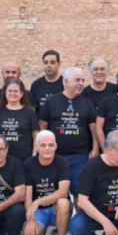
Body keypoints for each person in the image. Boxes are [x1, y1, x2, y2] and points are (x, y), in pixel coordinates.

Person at [39, 67, 99, 196]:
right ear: (66, 81)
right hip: (55, 157)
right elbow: (42, 126)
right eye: (77, 80)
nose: (81, 84)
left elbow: (94, 128)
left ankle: (81, 216)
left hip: (80, 157)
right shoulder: (52, 101)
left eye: (83, 80)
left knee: (80, 192)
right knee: (57, 195)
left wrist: (95, 149)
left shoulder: (87, 103)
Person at [23, 130, 71, 235]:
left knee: (64, 202)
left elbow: (63, 192)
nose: (47, 148)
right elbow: (27, 197)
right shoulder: (28, 164)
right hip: (39, 211)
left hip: (56, 208)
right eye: (43, 145)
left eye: (50, 145)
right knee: (30, 234)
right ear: (37, 147)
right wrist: (30, 221)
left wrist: (37, 201)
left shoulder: (62, 162)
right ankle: (39, 233)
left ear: (56, 146)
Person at [0, 78, 39, 160]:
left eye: (16, 91)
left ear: (22, 93)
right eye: (9, 91)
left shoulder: (30, 112)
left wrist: (34, 156)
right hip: (1, 159)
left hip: (24, 159)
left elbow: (36, 137)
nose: (12, 93)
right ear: (5, 93)